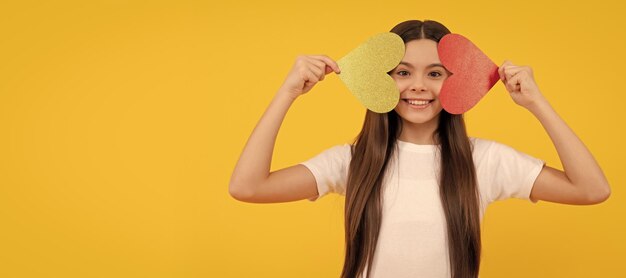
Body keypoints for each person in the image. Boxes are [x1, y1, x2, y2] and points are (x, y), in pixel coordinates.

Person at [228, 19, 611, 278]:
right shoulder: (353, 161)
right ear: (382, 80)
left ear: (455, 82)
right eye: (402, 72)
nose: (418, 86)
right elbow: (247, 187)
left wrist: (536, 103)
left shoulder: (486, 161)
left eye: (435, 74)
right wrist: (287, 93)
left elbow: (592, 189)